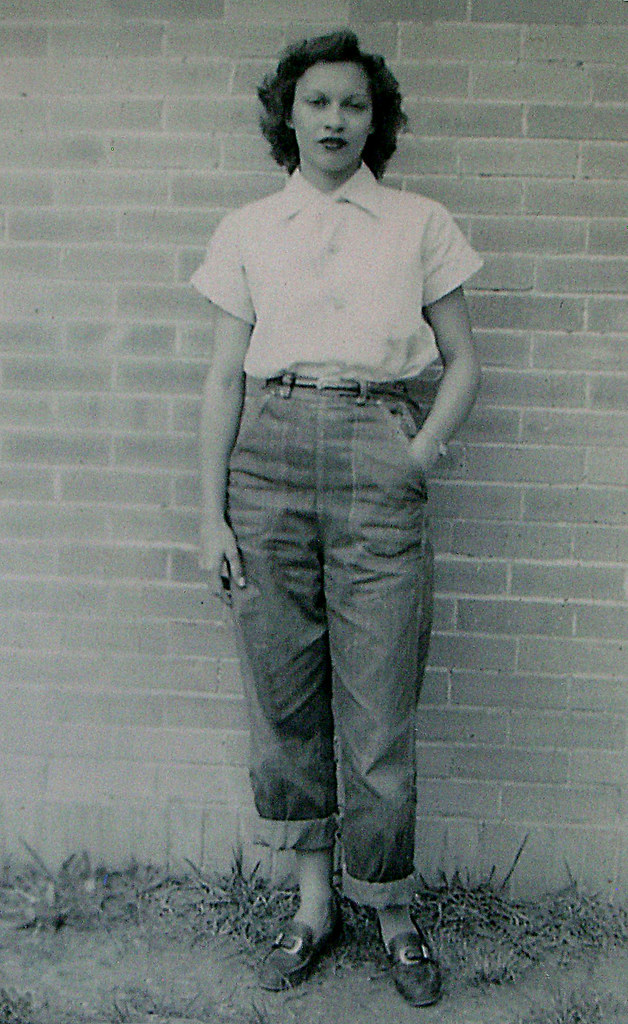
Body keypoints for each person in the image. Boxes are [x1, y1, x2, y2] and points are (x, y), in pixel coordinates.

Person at [191, 30, 483, 1008]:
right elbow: (222, 376)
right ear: (289, 113)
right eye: (316, 102)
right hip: (267, 461)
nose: (333, 120)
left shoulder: (417, 221)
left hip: (376, 453)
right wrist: (210, 514)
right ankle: (314, 905)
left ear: (376, 118)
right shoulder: (248, 227)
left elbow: (462, 361)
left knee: (378, 706)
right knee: (285, 695)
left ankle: (392, 911)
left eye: (353, 104)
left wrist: (414, 451)